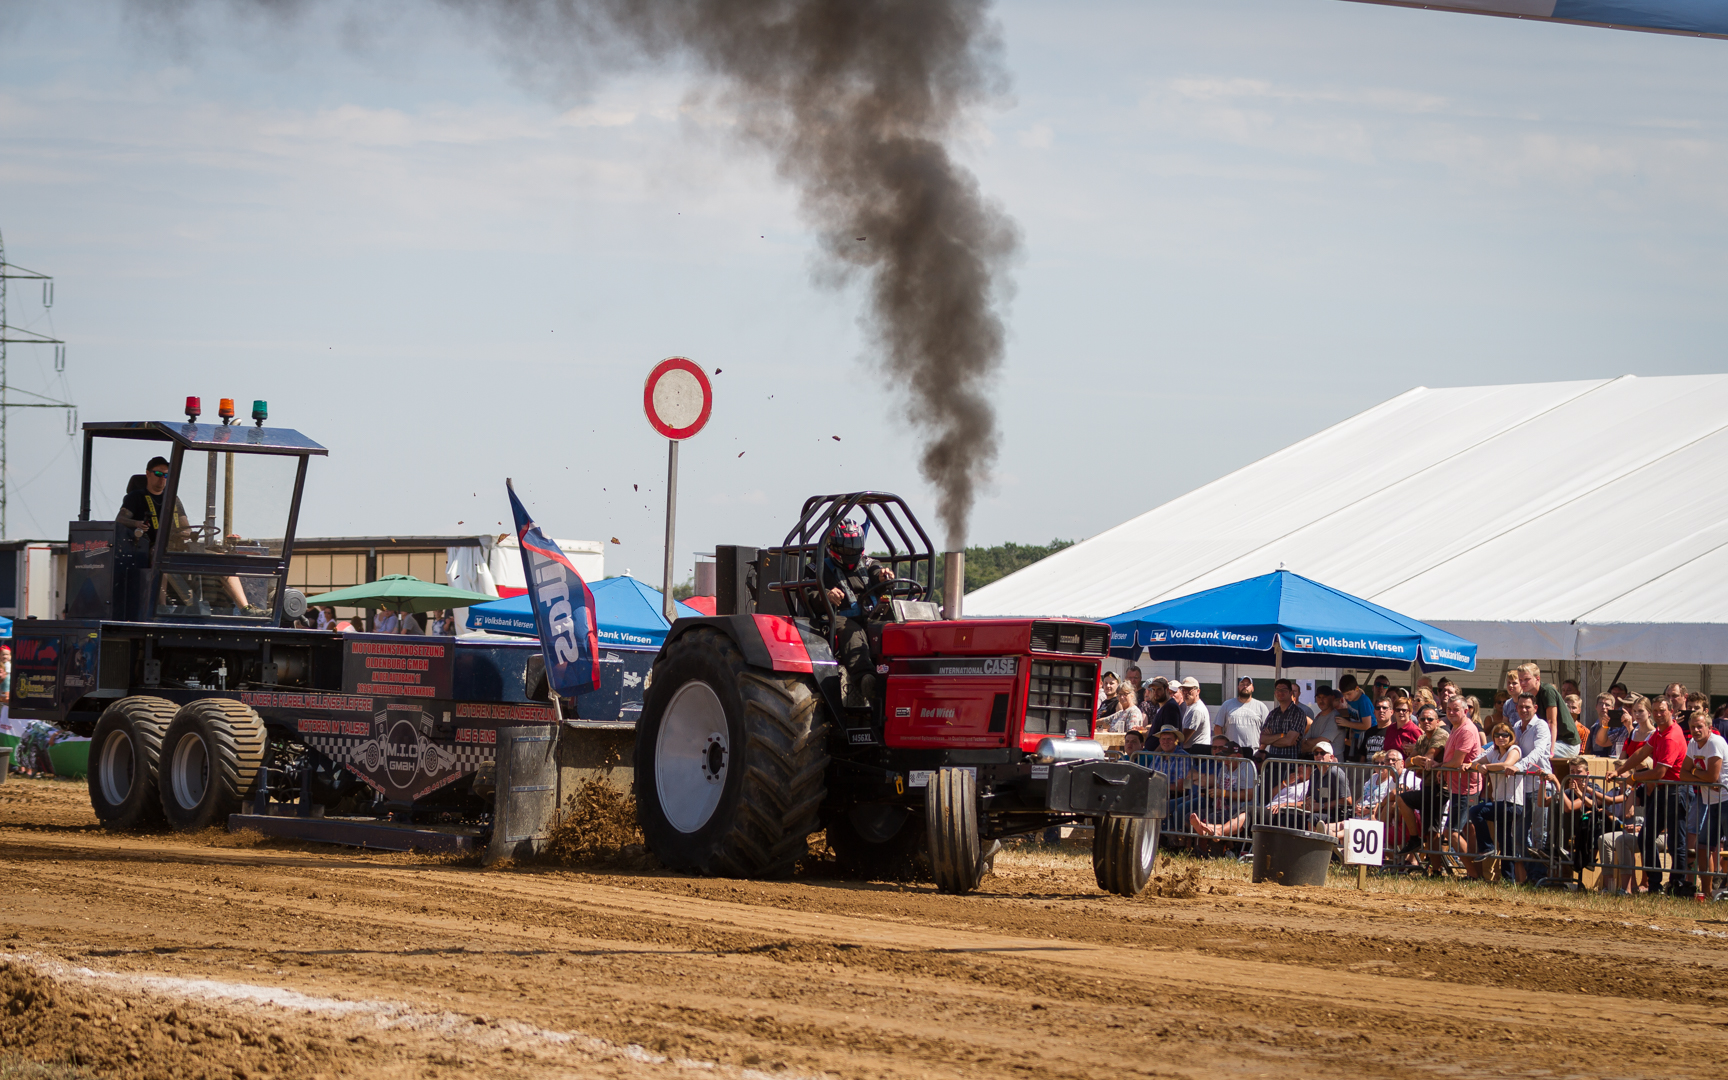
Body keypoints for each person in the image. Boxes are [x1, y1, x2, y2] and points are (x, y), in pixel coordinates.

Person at [805, 520, 894, 707]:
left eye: (855, 550)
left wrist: (884, 577)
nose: (851, 555)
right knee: (849, 630)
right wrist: (826, 595)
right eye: (847, 551)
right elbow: (808, 593)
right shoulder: (817, 569)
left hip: (873, 617)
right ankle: (866, 679)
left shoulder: (869, 563)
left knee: (894, 626)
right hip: (838, 618)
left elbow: (878, 571)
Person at [1612, 696, 1689, 895]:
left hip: (1675, 790)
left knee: (1675, 841)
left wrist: (1633, 778)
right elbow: (1641, 753)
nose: (1658, 714)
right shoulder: (1660, 734)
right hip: (1661, 790)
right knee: (1646, 838)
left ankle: (1677, 884)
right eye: (1655, 710)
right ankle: (1655, 885)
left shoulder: (1671, 735)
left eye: (1662, 710)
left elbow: (1659, 772)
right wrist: (1620, 772)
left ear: (1671, 711)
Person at [1465, 723, 1527, 883]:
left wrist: (1484, 767)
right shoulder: (1493, 752)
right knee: (1504, 840)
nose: (1501, 738)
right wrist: (1479, 766)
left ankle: (1487, 847)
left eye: (1505, 735)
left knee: (1475, 811)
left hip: (1513, 803)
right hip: (1499, 802)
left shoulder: (1515, 749)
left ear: (1511, 737)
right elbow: (1473, 763)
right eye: (1497, 735)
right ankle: (1509, 879)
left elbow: (1507, 765)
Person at [1678, 709, 1726, 901]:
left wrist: (1696, 772)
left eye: (1700, 726)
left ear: (1709, 727)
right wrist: (1701, 774)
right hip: (1710, 801)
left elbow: (1712, 777)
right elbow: (1683, 774)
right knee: (1703, 847)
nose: (1696, 730)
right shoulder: (1692, 743)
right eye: (1693, 727)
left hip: (1726, 799)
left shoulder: (1715, 742)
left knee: (1722, 849)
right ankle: (1706, 893)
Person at [1520, 662, 1580, 762]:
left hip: (1567, 744)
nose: (1523, 683)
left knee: (1529, 750)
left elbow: (1552, 722)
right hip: (1550, 741)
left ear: (1537, 679)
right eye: (1520, 680)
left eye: (1526, 679)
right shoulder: (1528, 695)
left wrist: (1550, 751)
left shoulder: (1547, 691)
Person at [1259, 679, 1309, 761]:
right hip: (1273, 762)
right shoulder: (1273, 714)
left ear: (1290, 693)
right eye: (1278, 690)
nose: (1280, 692)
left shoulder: (1298, 713)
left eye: (1284, 690)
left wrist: (1271, 740)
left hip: (1291, 763)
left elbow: (1289, 741)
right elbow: (1262, 739)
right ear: (1275, 693)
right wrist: (1282, 735)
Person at [1217, 676, 1269, 751]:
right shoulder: (1227, 705)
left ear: (1253, 688)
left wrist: (1260, 750)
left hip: (1253, 752)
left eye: (1248, 684)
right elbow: (1218, 727)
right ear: (1238, 687)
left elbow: (1267, 732)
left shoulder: (1261, 707)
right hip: (1231, 752)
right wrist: (1224, 746)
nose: (1245, 686)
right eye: (1242, 684)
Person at [1177, 677, 1210, 748]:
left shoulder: (1196, 710)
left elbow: (1183, 738)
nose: (1186, 692)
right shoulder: (1190, 707)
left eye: (1189, 690)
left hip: (1196, 753)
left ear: (1198, 691)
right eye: (1183, 690)